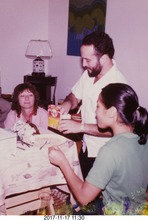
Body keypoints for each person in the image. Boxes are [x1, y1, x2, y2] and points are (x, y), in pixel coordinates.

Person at [49, 83, 148, 214]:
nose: (95, 112)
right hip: (137, 209)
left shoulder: (109, 151)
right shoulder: (147, 138)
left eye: (98, 106)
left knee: (72, 207)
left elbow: (84, 198)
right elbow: (147, 180)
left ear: (111, 113)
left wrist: (62, 162)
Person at [57, 31, 129, 178]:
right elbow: (74, 95)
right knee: (84, 190)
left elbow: (119, 129)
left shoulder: (118, 85)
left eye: (87, 60)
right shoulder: (90, 74)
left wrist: (80, 127)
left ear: (103, 58)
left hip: (107, 153)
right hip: (87, 147)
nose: (84, 65)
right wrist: (67, 104)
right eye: (82, 59)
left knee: (98, 196)